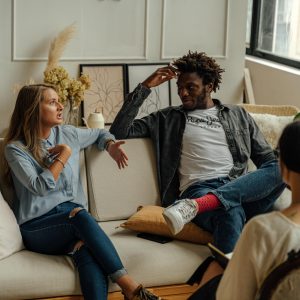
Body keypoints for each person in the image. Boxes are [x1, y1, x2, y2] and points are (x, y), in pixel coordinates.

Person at [110, 51, 285, 255]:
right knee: (230, 212)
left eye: (190, 87)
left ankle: (198, 206)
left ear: (209, 86)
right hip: (199, 189)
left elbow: (268, 162)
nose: (183, 93)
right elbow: (119, 131)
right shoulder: (167, 118)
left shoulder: (238, 115)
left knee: (285, 166)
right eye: (180, 88)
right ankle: (226, 281)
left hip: (238, 187)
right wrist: (145, 87)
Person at [2, 84, 160, 300]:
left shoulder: (68, 133)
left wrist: (110, 145)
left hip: (74, 224)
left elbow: (100, 133)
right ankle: (130, 287)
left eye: (59, 101)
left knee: (86, 249)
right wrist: (64, 155)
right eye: (52, 102)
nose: (60, 106)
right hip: (38, 228)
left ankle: (130, 291)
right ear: (32, 109)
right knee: (80, 215)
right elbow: (40, 186)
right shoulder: (16, 149)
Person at [188, 120, 300, 300]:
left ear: (283, 169)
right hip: (206, 192)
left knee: (215, 272)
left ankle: (203, 203)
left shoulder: (261, 230)